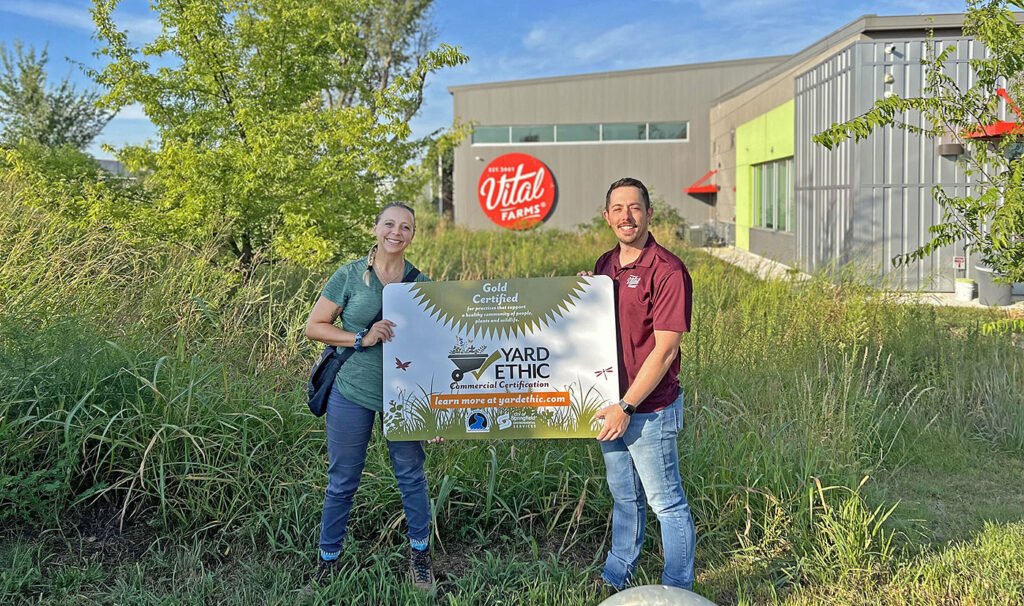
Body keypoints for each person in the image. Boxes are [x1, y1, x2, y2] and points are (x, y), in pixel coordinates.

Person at [304, 202, 438, 592]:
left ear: (413, 235)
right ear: (376, 228)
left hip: (404, 396)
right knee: (343, 479)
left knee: (412, 477)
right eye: (390, 224)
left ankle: (420, 561)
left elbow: (434, 348)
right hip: (352, 391)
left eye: (406, 227)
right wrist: (360, 338)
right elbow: (315, 326)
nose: (397, 232)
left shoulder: (422, 284)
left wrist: (436, 412)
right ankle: (327, 565)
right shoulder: (349, 276)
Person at [585, 177, 696, 593]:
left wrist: (626, 407)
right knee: (624, 499)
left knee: (666, 504)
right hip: (608, 405)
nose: (626, 216)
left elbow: (665, 351)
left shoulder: (667, 270)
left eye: (634, 208)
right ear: (607, 216)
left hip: (645, 410)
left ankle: (677, 589)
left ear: (650, 214)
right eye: (617, 208)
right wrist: (583, 294)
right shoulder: (604, 266)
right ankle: (618, 577)